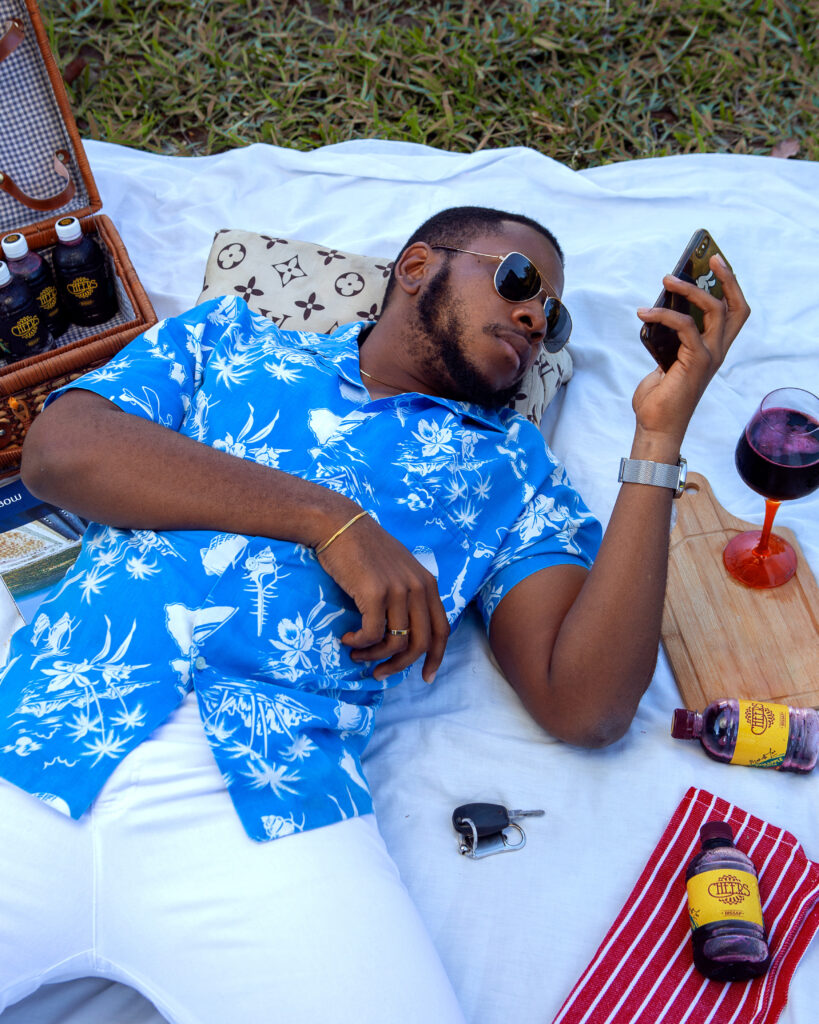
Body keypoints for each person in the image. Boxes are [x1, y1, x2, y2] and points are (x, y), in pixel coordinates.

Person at [0, 206, 749, 1023]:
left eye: (553, 318)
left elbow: (589, 706)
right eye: (517, 281)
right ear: (419, 265)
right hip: (39, 739)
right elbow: (59, 453)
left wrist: (658, 435)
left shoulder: (515, 475)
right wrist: (331, 521)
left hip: (270, 808)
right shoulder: (231, 339)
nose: (536, 318)